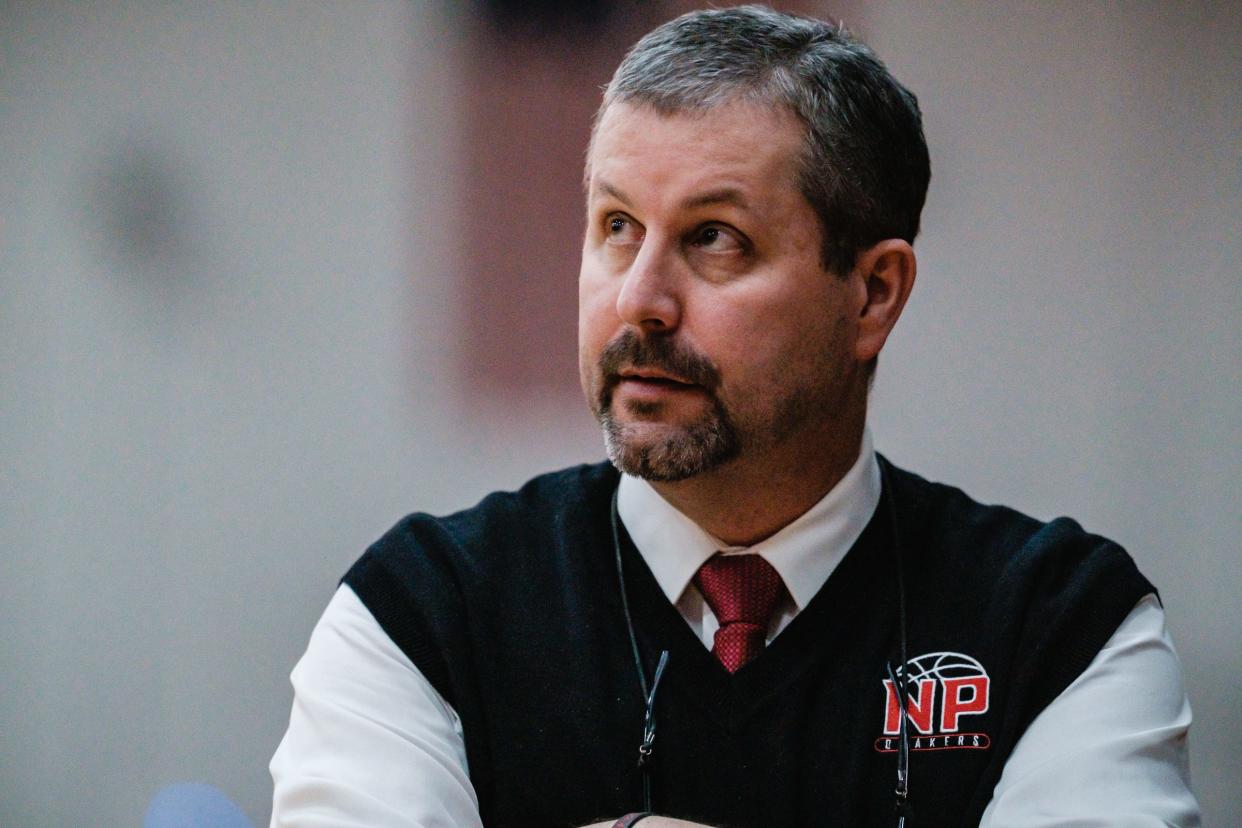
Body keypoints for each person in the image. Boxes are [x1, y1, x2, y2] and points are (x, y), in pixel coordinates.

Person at [270, 6, 1199, 827]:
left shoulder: (1063, 626)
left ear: (873, 294)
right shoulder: (422, 613)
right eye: (616, 226)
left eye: (715, 238)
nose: (639, 300)